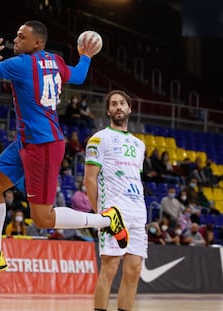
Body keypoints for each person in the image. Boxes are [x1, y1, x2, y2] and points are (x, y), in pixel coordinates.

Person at [0, 21, 127, 277]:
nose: (15, 40)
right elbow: (80, 75)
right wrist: (85, 57)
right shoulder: (57, 61)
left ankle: (107, 220)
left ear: (37, 43)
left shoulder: (21, 64)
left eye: (21, 37)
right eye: (16, 35)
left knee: (43, 219)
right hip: (26, 141)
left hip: (44, 146)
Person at [83, 90, 147, 311]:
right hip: (114, 211)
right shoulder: (99, 138)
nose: (118, 107)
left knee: (134, 270)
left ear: (129, 108)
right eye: (113, 104)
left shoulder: (140, 145)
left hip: (138, 211)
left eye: (122, 103)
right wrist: (101, 214)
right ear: (108, 110)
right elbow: (89, 180)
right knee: (110, 267)